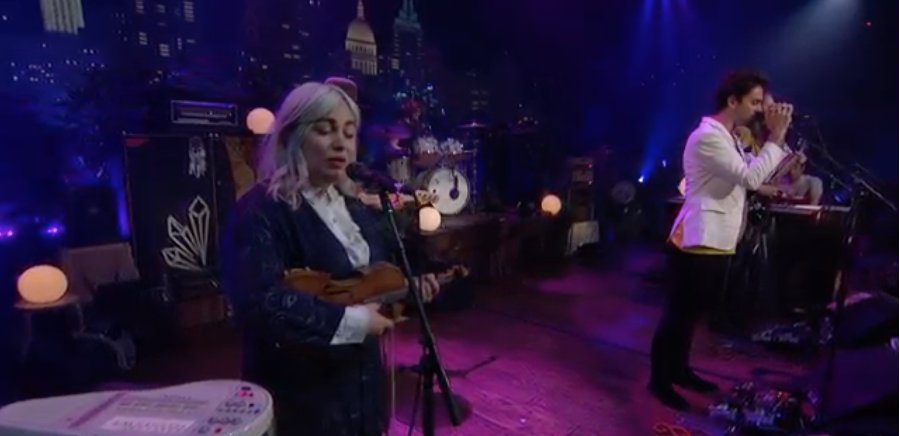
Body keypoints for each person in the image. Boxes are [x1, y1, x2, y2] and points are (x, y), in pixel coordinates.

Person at [219, 82, 440, 435]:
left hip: (362, 393)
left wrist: (410, 290)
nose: (341, 143)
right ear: (291, 137)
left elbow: (366, 287)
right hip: (301, 400)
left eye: (349, 134)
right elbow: (259, 305)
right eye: (325, 130)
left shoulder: (358, 210)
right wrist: (354, 323)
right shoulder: (259, 211)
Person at [649, 70, 794, 410]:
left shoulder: (728, 137)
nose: (759, 110)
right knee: (678, 314)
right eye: (754, 102)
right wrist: (777, 135)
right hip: (698, 238)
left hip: (716, 239)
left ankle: (680, 371)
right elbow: (751, 178)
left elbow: (758, 174)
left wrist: (776, 137)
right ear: (732, 101)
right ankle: (659, 381)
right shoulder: (707, 137)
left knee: (692, 313)